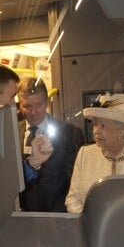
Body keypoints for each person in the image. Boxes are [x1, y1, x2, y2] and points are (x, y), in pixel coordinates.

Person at [65, 92, 124, 213]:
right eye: (95, 124)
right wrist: (90, 221)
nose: (96, 131)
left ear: (122, 130)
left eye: (102, 126)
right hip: (92, 229)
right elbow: (72, 199)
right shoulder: (85, 154)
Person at [17, 78, 83, 212]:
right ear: (19, 106)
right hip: (20, 216)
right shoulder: (10, 132)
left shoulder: (69, 133)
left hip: (57, 215)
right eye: (28, 106)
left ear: (47, 102)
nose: (34, 112)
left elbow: (75, 181)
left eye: (39, 105)